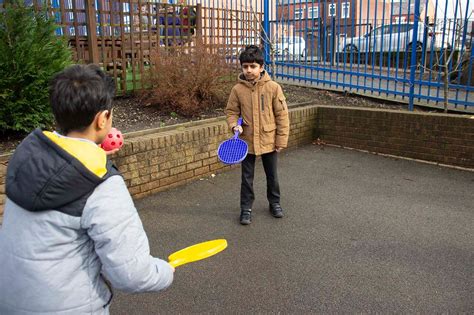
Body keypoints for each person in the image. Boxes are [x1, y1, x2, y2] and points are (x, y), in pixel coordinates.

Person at [0, 64, 174, 314]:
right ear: (102, 118)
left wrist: (92, 150)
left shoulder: (27, 155)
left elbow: (64, 163)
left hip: (10, 300)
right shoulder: (103, 184)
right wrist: (164, 271)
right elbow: (132, 274)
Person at [225, 45, 290, 225]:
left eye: (253, 66)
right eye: (245, 67)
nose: (249, 70)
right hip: (246, 141)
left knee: (272, 175)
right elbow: (231, 112)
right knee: (246, 178)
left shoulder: (273, 88)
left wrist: (281, 140)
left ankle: (275, 203)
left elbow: (282, 115)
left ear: (261, 67)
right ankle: (246, 208)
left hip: (269, 139)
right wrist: (233, 126)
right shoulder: (237, 90)